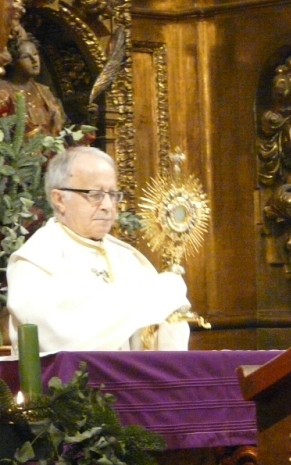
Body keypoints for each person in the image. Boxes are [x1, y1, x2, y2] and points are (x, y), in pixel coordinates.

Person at [7, 146, 191, 352]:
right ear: (59, 200)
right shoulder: (37, 260)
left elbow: (160, 339)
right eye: (95, 194)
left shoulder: (129, 260)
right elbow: (61, 337)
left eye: (112, 194)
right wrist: (149, 300)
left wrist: (171, 319)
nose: (107, 206)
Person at [0, 34, 67, 137]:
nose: (34, 60)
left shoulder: (44, 91)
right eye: (26, 57)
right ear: (12, 61)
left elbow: (60, 131)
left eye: (35, 54)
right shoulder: (4, 91)